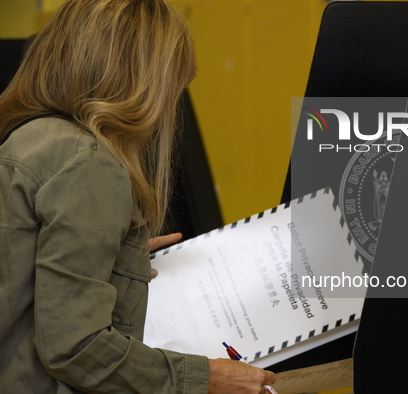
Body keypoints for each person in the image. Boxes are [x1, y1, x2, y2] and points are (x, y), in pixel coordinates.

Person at [0, 0, 276, 392]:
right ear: (137, 81)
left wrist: (113, 255)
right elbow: (75, 347)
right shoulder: (88, 161)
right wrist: (205, 378)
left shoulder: (27, 139)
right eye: (171, 87)